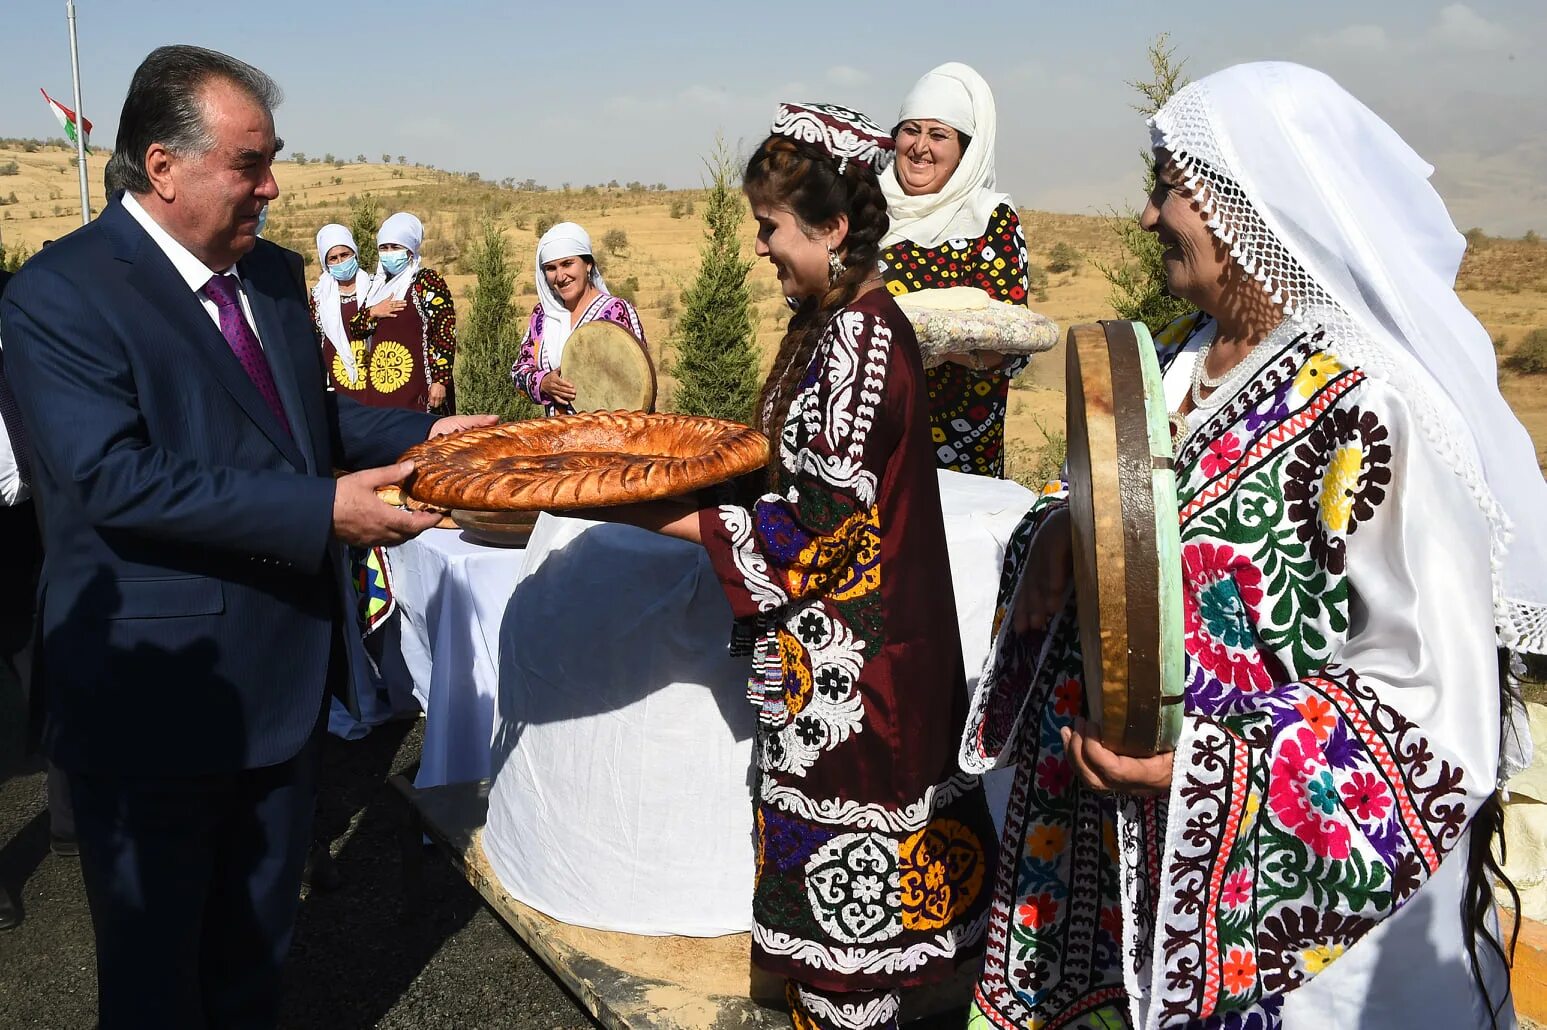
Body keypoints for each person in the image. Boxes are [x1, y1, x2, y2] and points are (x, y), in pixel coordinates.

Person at [961, 62, 1546, 1029]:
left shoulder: (1370, 408)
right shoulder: (1182, 361)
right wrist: (1059, 538)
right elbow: (1142, 544)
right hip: (1111, 871)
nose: (1148, 218)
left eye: (1167, 190)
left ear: (1248, 204)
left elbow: (1428, 697)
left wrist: (1210, 770)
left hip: (1295, 947)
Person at [0, 45, 493, 1027]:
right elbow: (109, 480)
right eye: (250, 164)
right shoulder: (59, 297)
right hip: (151, 698)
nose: (274, 186)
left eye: (274, 160)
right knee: (154, 983)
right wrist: (323, 511)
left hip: (282, 679)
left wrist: (423, 433)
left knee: (255, 965)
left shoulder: (267, 275)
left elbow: (303, 417)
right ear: (162, 165)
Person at [576, 102, 997, 1030]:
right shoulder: (831, 324)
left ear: (833, 228)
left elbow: (825, 533)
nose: (761, 246)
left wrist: (648, 510)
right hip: (838, 670)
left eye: (770, 227)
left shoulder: (862, 344)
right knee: (835, 953)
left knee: (855, 960)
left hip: (864, 681)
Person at [878, 63, 1029, 479]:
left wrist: (927, 343)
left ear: (966, 149)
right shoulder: (867, 208)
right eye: (910, 130)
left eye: (938, 135)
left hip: (956, 448)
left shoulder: (990, 220)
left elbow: (1011, 341)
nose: (920, 147)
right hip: (869, 434)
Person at [511, 221, 647, 415]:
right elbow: (518, 372)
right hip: (554, 438)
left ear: (588, 264)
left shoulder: (615, 311)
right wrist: (542, 382)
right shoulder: (543, 315)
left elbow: (639, 383)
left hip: (610, 438)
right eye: (551, 268)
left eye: (567, 264)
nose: (560, 276)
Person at [350, 212, 456, 413]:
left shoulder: (427, 281)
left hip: (421, 387)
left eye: (395, 247)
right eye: (384, 248)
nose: (389, 252)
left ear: (409, 250)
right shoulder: (377, 286)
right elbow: (356, 328)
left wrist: (440, 380)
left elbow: (445, 331)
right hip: (381, 388)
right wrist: (373, 312)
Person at [310, 223, 370, 394]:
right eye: (333, 258)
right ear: (326, 263)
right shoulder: (319, 296)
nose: (340, 262)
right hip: (336, 375)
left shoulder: (375, 287)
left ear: (354, 254)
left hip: (374, 370)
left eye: (345, 255)